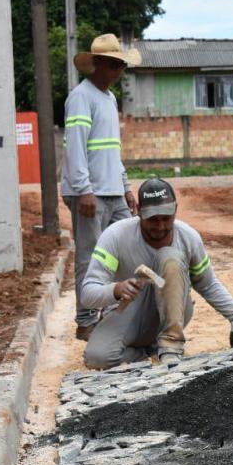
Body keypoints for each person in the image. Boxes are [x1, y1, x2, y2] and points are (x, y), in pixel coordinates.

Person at [80, 178, 233, 369]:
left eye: (166, 218)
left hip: (173, 310)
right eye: (153, 219)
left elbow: (208, 284)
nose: (160, 226)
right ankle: (151, 351)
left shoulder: (188, 238)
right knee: (97, 358)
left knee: (170, 257)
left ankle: (170, 347)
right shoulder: (116, 236)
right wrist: (116, 290)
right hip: (129, 312)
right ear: (138, 210)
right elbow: (87, 294)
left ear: (176, 209)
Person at [62, 34, 141, 341]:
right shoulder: (81, 97)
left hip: (112, 190)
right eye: (113, 65)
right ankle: (85, 320)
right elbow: (75, 149)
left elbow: (111, 150)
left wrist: (126, 186)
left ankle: (112, 310)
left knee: (126, 249)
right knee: (89, 257)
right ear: (96, 65)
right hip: (89, 192)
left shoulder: (109, 99)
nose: (118, 71)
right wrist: (83, 189)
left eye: (121, 65)